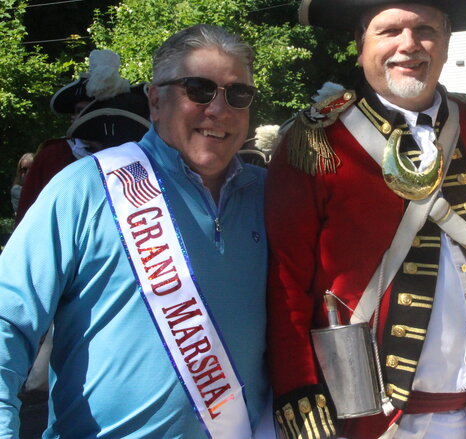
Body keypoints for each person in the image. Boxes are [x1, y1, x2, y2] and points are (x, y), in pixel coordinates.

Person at [265, 0, 466, 439]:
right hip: (377, 418)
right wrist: (297, 385)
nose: (410, 45)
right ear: (360, 47)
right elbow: (287, 277)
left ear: (447, 43)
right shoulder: (316, 143)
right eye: (390, 31)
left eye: (426, 29)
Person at [0, 24, 273, 438]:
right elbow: (7, 319)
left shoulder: (271, 198)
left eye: (238, 94)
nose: (219, 110)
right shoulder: (86, 187)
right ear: (155, 99)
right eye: (198, 89)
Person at [15, 50, 148, 223]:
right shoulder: (53, 155)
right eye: (80, 111)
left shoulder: (135, 157)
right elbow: (28, 217)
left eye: (90, 111)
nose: (83, 116)